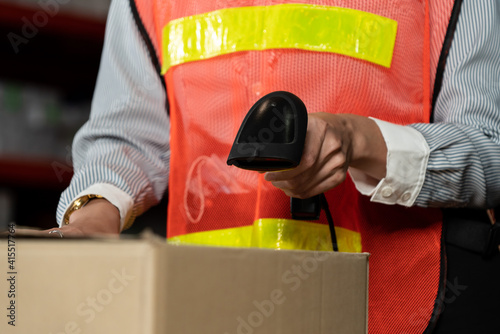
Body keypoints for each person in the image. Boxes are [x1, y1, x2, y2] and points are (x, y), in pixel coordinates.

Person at [51, 0, 500, 332]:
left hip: (391, 310)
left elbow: (490, 153)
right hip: (208, 311)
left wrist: (358, 140)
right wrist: (93, 217)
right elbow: (127, 136)